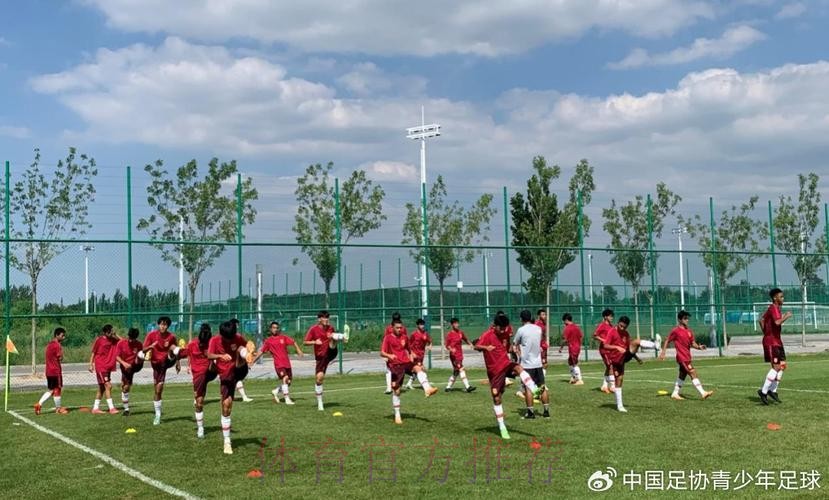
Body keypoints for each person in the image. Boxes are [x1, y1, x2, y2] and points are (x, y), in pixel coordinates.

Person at [474, 314, 544, 440]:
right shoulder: (487, 335)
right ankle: (502, 427)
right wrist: (486, 347)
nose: (503, 331)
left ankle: (534, 389)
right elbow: (476, 346)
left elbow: (507, 346)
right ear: (494, 326)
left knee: (518, 367)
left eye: (504, 328)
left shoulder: (505, 333)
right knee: (497, 398)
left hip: (505, 363)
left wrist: (513, 350)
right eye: (500, 328)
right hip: (494, 371)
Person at [380, 318, 438, 424]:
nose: (399, 329)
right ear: (392, 328)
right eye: (397, 328)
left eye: (400, 327)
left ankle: (427, 389)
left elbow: (409, 349)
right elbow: (382, 352)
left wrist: (411, 355)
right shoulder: (388, 338)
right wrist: (389, 355)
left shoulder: (404, 337)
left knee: (418, 368)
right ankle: (397, 415)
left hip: (405, 362)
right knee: (397, 391)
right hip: (395, 366)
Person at [595, 316, 658, 412]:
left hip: (624, 356)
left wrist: (637, 359)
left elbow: (629, 348)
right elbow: (606, 345)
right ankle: (620, 406)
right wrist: (617, 347)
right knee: (619, 381)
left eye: (624, 327)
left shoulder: (626, 334)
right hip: (616, 360)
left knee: (636, 342)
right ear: (618, 323)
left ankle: (655, 345)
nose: (622, 328)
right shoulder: (612, 331)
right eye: (621, 326)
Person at [207, 320, 251, 455]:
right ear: (222, 335)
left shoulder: (237, 337)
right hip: (226, 376)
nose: (230, 340)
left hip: (239, 368)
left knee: (240, 348)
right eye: (227, 338)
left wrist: (249, 350)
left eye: (232, 337)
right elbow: (209, 355)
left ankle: (245, 356)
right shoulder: (215, 340)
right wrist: (220, 356)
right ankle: (227, 441)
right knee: (226, 405)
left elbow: (245, 343)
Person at [659, 311, 713, 400]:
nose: (687, 320)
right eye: (685, 318)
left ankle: (675, 393)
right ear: (679, 320)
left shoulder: (689, 331)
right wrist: (663, 352)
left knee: (682, 375)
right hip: (682, 358)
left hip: (687, 357)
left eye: (687, 318)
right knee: (692, 372)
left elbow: (693, 343)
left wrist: (699, 347)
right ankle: (703, 393)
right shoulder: (676, 331)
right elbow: (667, 340)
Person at [179, 323, 218, 438]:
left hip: (210, 372)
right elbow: (182, 353)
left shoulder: (212, 343)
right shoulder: (192, 344)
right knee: (199, 402)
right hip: (199, 376)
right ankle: (200, 428)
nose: (202, 345)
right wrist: (175, 357)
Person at [251, 321, 303, 404]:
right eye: (274, 328)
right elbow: (261, 351)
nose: (275, 329)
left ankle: (275, 391)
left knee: (288, 382)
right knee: (285, 378)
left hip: (287, 363)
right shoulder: (268, 341)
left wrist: (298, 350)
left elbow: (293, 342)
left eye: (277, 328)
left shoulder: (283, 337)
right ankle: (287, 399)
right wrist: (253, 360)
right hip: (279, 364)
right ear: (270, 329)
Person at [143, 316, 181, 425]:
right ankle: (157, 414)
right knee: (157, 390)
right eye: (161, 324)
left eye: (165, 325)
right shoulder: (151, 335)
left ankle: (158, 416)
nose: (163, 326)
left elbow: (176, 350)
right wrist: (150, 346)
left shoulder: (171, 337)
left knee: (173, 347)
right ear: (158, 324)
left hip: (167, 362)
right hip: (156, 364)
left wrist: (177, 362)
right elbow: (144, 349)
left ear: (168, 326)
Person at [757, 288, 792, 405]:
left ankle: (773, 390)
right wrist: (786, 316)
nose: (783, 298)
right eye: (781, 297)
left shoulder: (774, 309)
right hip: (772, 342)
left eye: (783, 296)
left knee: (782, 365)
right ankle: (763, 391)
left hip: (777, 341)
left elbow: (761, 320)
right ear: (775, 298)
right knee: (776, 367)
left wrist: (766, 332)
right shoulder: (773, 308)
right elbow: (777, 322)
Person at [514, 310, 550, 418]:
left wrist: (519, 353)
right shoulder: (538, 329)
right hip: (538, 362)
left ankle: (530, 412)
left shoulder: (521, 330)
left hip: (527, 364)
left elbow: (515, 343)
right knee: (542, 387)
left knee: (528, 388)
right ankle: (546, 411)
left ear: (521, 319)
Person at [304, 310, 338, 411]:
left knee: (333, 338)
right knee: (319, 378)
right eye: (324, 317)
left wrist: (337, 338)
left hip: (330, 353)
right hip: (320, 357)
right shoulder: (313, 329)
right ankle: (320, 402)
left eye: (327, 317)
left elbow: (333, 337)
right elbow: (305, 342)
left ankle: (335, 343)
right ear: (319, 319)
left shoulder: (331, 328)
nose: (326, 319)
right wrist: (315, 342)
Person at [35, 328, 68, 415]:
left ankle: (39, 404)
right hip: (55, 371)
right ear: (57, 335)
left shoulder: (50, 344)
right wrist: (62, 356)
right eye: (62, 335)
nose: (64, 337)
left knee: (52, 390)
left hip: (49, 371)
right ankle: (58, 409)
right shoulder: (57, 345)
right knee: (58, 389)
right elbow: (60, 358)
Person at [89, 324, 120, 414]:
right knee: (108, 386)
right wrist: (90, 364)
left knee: (102, 388)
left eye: (111, 331)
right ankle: (111, 408)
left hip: (108, 367)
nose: (110, 333)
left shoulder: (113, 339)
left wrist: (116, 334)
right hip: (101, 366)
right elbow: (93, 353)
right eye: (109, 332)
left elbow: (123, 342)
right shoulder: (99, 340)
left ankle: (95, 408)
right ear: (104, 332)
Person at [115, 327, 146, 416]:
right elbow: (117, 357)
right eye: (130, 338)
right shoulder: (121, 343)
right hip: (126, 367)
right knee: (125, 388)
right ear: (128, 336)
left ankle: (137, 360)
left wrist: (142, 359)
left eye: (133, 339)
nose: (131, 340)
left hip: (136, 365)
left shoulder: (139, 344)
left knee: (140, 354)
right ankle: (126, 409)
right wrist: (124, 363)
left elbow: (142, 355)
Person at [444, 318, 475, 392]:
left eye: (457, 323)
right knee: (461, 369)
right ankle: (468, 386)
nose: (457, 325)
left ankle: (448, 387)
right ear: (452, 325)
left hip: (460, 355)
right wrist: (451, 349)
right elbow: (447, 345)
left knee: (456, 371)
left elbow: (466, 339)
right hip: (454, 356)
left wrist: (470, 344)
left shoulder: (460, 333)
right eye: (455, 323)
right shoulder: (450, 334)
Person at [229, 318, 254, 403]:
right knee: (236, 379)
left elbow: (245, 345)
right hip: (232, 362)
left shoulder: (238, 336)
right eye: (236, 325)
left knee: (235, 379)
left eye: (237, 325)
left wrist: (249, 352)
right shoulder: (228, 337)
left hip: (237, 361)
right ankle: (243, 397)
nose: (237, 327)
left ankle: (231, 396)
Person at [383, 312, 407, 394]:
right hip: (393, 352)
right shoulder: (392, 328)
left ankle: (392, 387)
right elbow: (386, 340)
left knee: (390, 370)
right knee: (391, 369)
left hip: (395, 352)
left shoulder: (397, 328)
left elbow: (405, 339)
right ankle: (391, 387)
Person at [405, 318, 432, 390]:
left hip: (421, 355)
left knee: (417, 370)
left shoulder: (425, 334)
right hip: (415, 355)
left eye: (423, 324)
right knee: (421, 369)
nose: (422, 326)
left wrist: (430, 346)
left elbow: (430, 341)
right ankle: (426, 385)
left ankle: (409, 384)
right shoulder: (414, 334)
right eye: (421, 324)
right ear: (417, 325)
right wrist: (411, 353)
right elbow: (408, 345)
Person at [594, 309, 616, 394]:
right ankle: (612, 386)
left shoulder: (611, 326)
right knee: (610, 366)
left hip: (610, 349)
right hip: (604, 349)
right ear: (605, 317)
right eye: (610, 316)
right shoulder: (602, 325)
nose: (612, 318)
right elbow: (595, 335)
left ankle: (604, 386)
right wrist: (603, 340)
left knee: (609, 367)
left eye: (612, 316)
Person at [559, 313, 584, 385]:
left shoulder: (568, 328)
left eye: (564, 321)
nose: (564, 323)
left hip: (573, 347)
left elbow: (564, 340)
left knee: (574, 363)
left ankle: (579, 379)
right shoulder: (576, 327)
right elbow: (581, 336)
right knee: (570, 361)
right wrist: (579, 344)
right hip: (576, 347)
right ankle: (573, 377)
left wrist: (561, 347)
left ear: (566, 320)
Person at [535, 309, 549, 376]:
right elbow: (536, 336)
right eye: (543, 315)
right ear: (539, 316)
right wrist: (539, 346)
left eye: (545, 314)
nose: (545, 316)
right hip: (540, 346)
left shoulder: (543, 323)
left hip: (543, 346)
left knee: (544, 364)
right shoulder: (537, 324)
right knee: (543, 364)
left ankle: (539, 379)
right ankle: (540, 380)